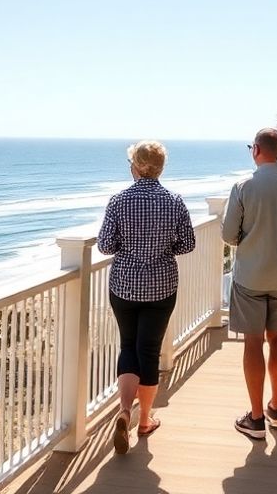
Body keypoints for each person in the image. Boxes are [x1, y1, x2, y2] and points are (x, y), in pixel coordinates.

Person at [96, 140, 196, 455]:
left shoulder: (118, 201)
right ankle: (145, 421)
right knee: (148, 352)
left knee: (128, 346)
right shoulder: (174, 201)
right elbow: (188, 244)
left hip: (124, 286)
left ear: (137, 167)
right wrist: (163, 249)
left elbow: (105, 246)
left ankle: (125, 410)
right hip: (161, 287)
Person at [221, 127, 277, 440]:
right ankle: (276, 407)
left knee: (252, 342)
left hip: (250, 277)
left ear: (257, 150)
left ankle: (256, 418)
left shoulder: (243, 186)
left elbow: (228, 235)